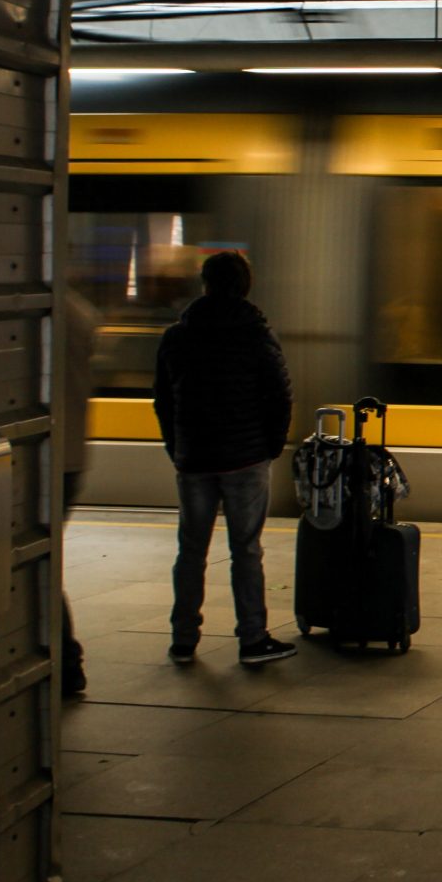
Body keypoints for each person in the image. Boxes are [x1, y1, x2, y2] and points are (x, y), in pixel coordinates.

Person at [152, 250, 298, 666]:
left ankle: (183, 639)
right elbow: (280, 395)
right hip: (246, 459)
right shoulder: (255, 334)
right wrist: (269, 447)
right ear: (245, 285)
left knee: (191, 550)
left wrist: (176, 446)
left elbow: (162, 399)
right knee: (246, 550)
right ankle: (252, 639)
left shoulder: (177, 336)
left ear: (205, 283)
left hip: (194, 459)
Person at [59, 284, 97, 697]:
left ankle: (68, 662)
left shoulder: (51, 310)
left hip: (46, 458)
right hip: (71, 455)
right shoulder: (80, 310)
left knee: (38, 567)